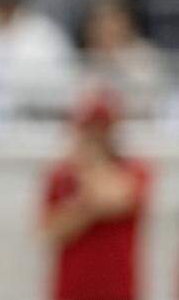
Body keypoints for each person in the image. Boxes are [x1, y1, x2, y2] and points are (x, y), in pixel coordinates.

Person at [42, 90, 149, 300]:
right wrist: (89, 206)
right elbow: (49, 231)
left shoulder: (135, 169)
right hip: (72, 291)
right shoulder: (60, 174)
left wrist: (90, 167)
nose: (94, 136)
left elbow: (117, 199)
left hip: (117, 291)